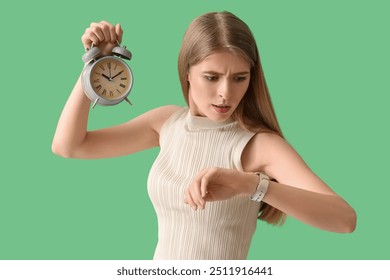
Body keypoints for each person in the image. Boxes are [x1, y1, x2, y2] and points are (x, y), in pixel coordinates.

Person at [52, 11, 356, 260]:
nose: (226, 93)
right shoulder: (166, 123)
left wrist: (250, 184)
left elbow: (344, 219)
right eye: (211, 77)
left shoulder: (258, 146)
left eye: (239, 78)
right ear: (187, 72)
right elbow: (69, 145)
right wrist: (95, 65)